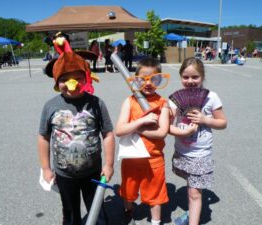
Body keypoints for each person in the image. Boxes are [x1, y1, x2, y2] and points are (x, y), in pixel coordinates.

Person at [38, 51, 115, 225]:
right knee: (70, 213)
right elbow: (43, 137)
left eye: (77, 78)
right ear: (57, 82)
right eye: (64, 79)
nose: (71, 84)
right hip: (64, 174)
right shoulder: (51, 106)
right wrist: (46, 168)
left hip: (93, 172)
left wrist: (109, 164)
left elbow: (108, 134)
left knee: (97, 211)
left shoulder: (97, 103)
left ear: (87, 78)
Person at [168, 57, 227, 225]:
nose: (190, 81)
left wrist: (204, 120)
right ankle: (192, 212)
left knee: (195, 194)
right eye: (186, 77)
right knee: (190, 185)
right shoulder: (176, 99)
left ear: (202, 77)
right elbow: (167, 124)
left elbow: (222, 123)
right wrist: (181, 130)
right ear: (180, 77)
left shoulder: (212, 97)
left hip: (200, 154)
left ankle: (193, 219)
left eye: (195, 77)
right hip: (182, 152)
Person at [115, 58, 170, 225]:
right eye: (143, 79)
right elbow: (119, 130)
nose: (148, 83)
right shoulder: (129, 101)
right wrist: (140, 122)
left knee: (156, 196)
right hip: (131, 158)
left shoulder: (163, 103)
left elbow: (162, 133)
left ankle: (155, 221)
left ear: (159, 79)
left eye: (154, 79)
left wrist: (136, 128)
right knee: (128, 192)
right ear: (136, 79)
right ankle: (128, 210)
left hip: (154, 160)